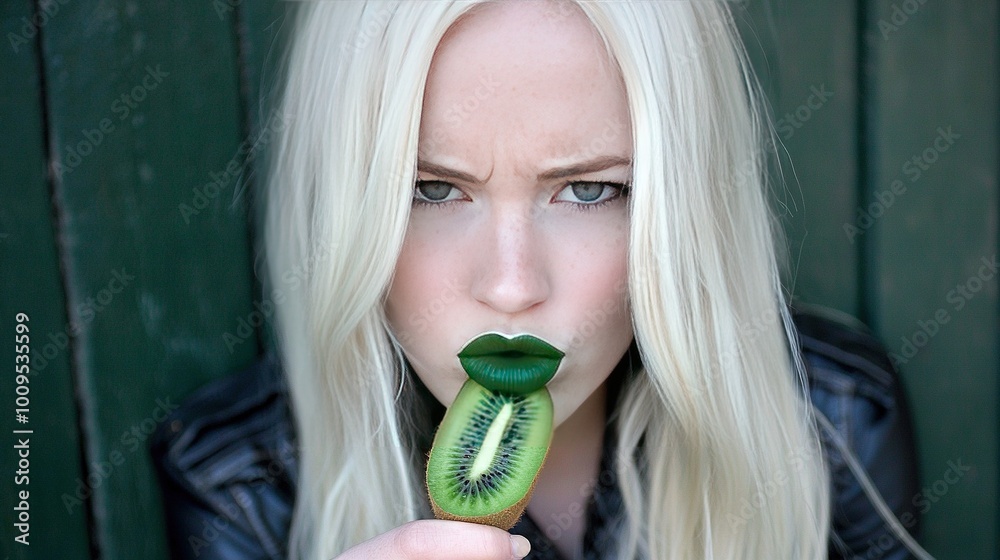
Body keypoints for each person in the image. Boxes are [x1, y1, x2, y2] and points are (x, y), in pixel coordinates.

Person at [151, 1, 926, 559]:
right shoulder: (240, 482)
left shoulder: (834, 420)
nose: (512, 286)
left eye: (589, 191)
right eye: (430, 189)